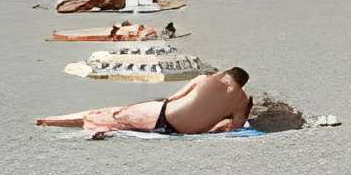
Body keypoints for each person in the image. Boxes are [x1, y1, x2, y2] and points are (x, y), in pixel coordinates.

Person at [35, 66, 251, 137]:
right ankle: (52, 121)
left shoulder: (204, 79)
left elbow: (174, 98)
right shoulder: (240, 101)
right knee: (116, 120)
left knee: (110, 113)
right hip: (182, 130)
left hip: (164, 115)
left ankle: (48, 120)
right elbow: (237, 126)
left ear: (226, 74)